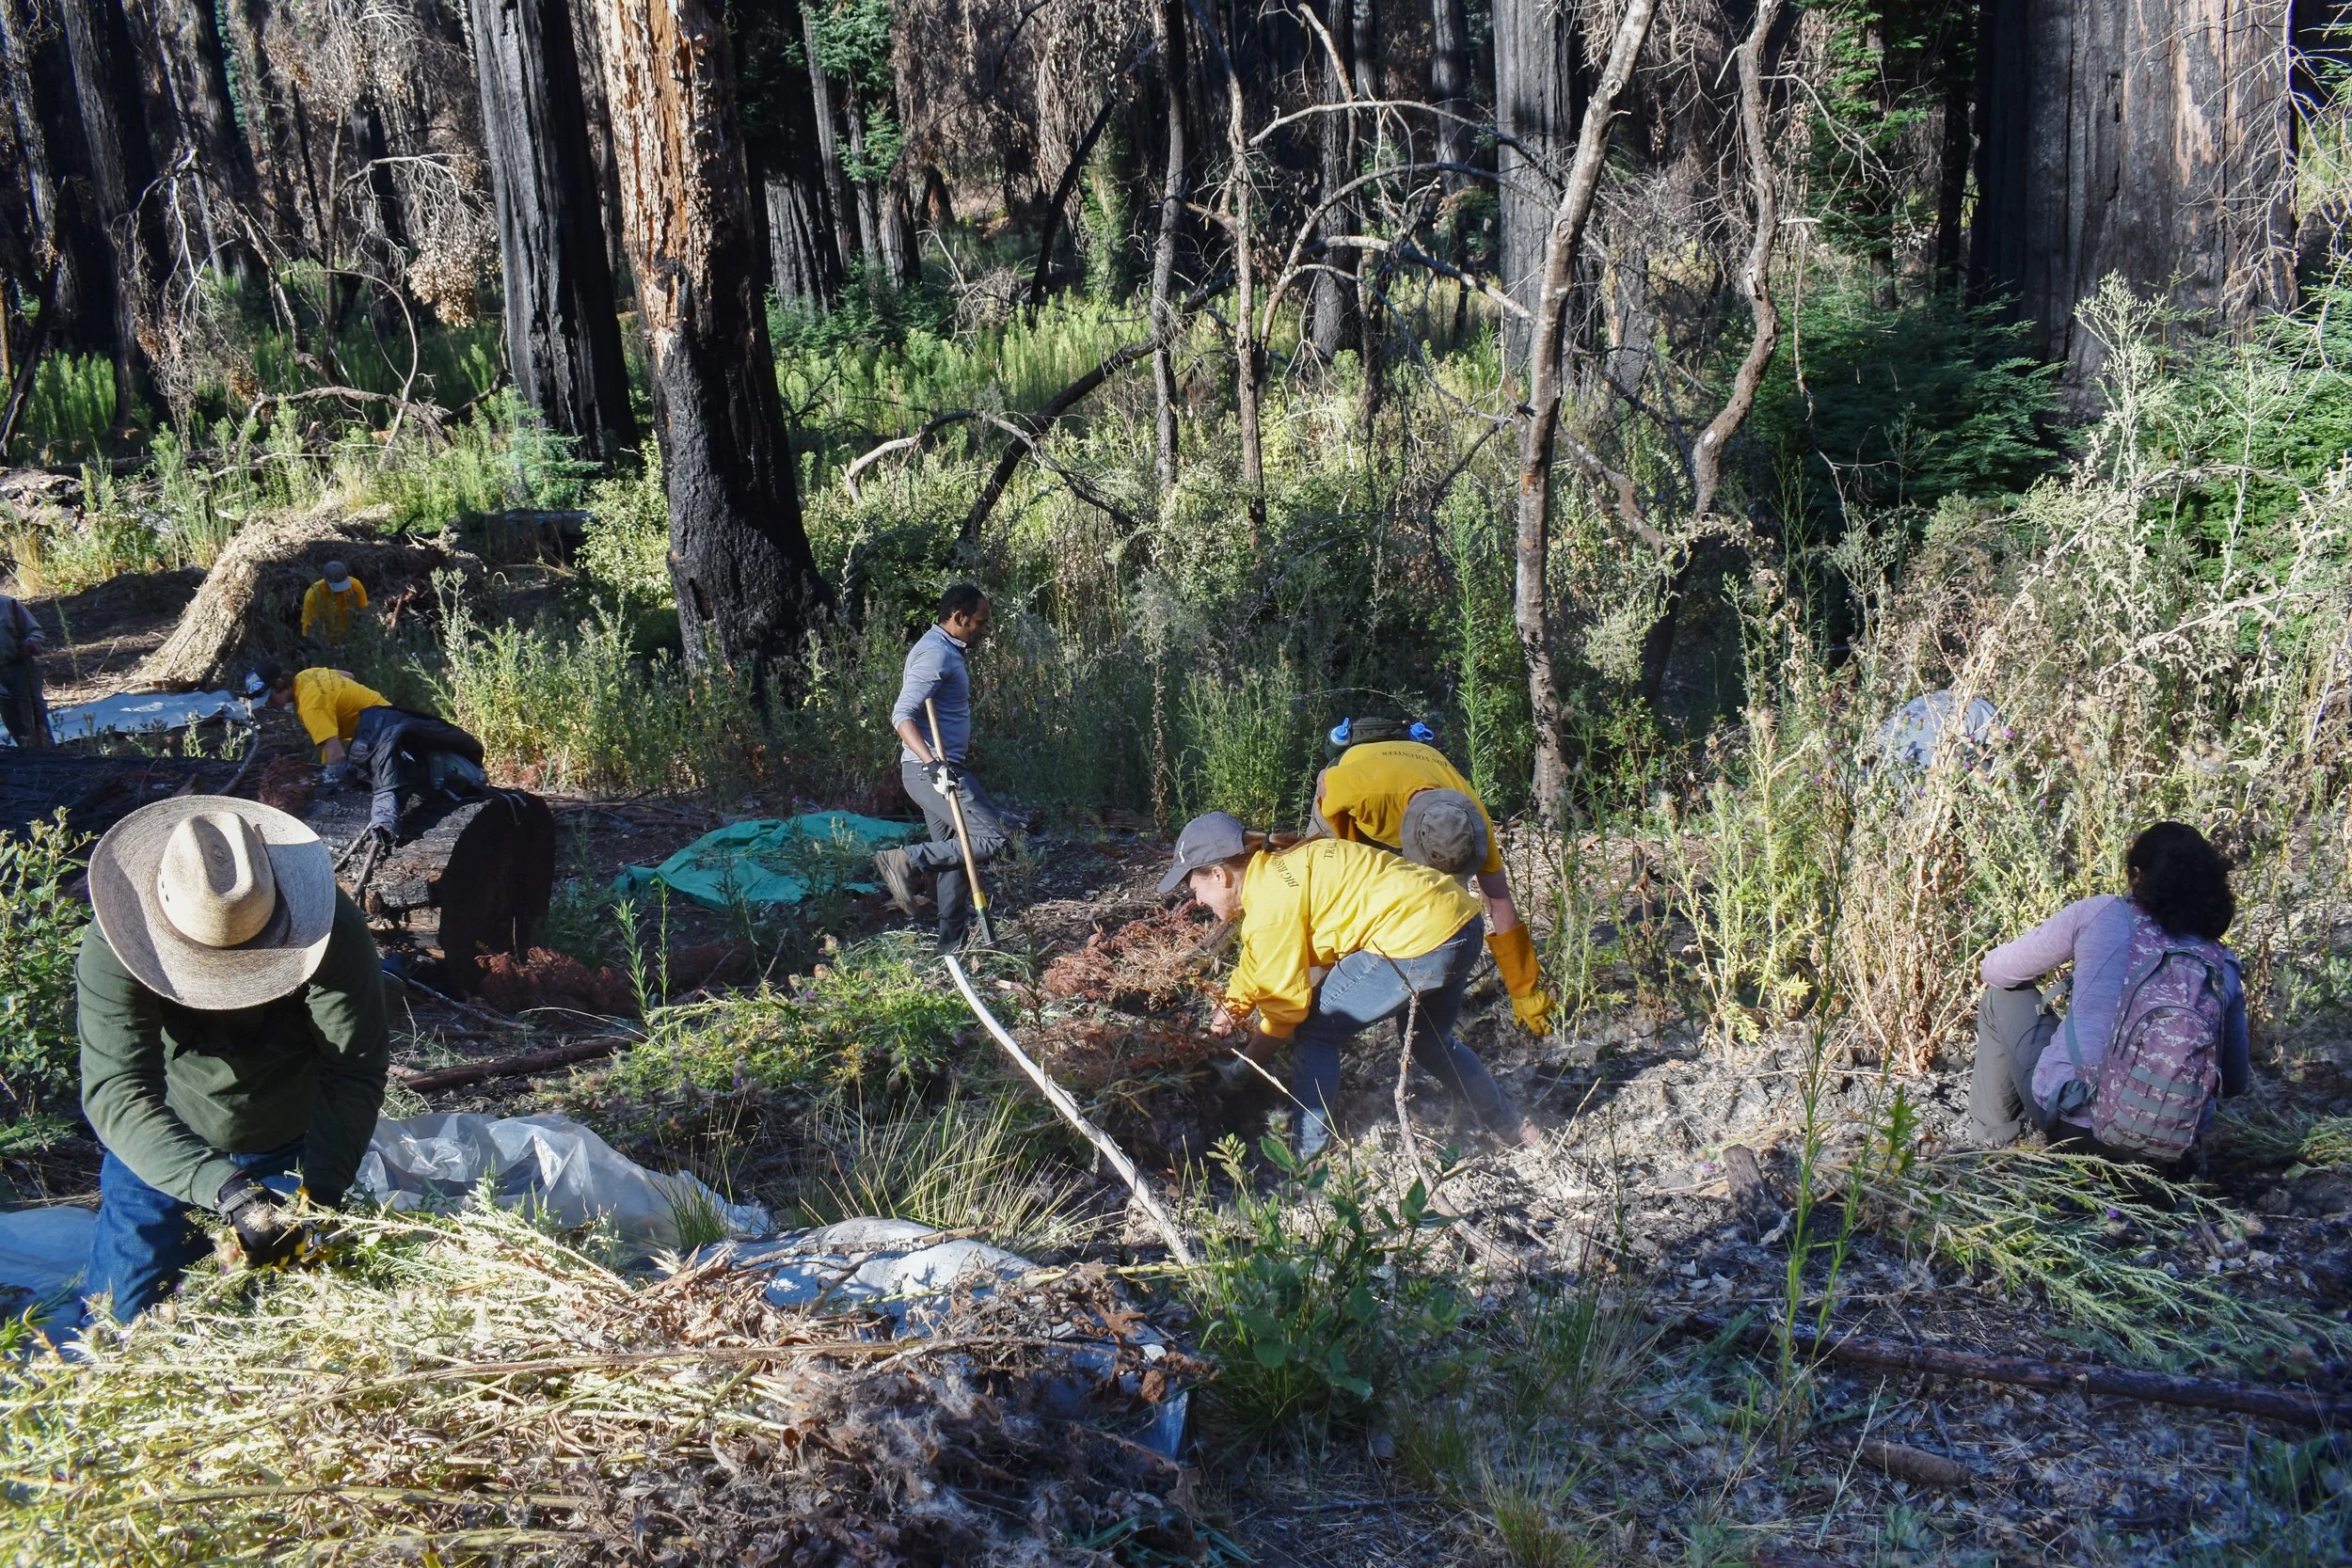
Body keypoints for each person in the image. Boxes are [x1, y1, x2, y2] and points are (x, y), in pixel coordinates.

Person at [77, 794, 389, 1323]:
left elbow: (352, 1068)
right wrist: (225, 1189)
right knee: (118, 1321)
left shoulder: (330, 929)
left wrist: (319, 1196)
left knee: (292, 1324)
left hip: (293, 1137)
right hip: (164, 1143)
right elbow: (118, 1091)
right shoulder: (116, 945)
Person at [1160, 810, 1540, 1160]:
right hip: (1461, 924)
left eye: (1194, 888)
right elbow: (1259, 956)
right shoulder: (1283, 868)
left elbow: (1285, 1010)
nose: (1195, 900)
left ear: (1220, 876)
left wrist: (1244, 1067)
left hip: (1418, 942)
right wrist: (1232, 1009)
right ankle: (1514, 1129)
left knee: (1316, 1030)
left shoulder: (1271, 903)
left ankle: (1307, 1162)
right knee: (1433, 1044)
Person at [1968, 821, 2249, 1170]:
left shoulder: (2101, 913)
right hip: (2171, 1144)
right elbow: (2236, 1081)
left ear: (2137, 874)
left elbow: (1996, 972)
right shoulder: (2220, 962)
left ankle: (1994, 1145)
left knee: (2002, 998)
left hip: (2074, 1127)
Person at [1313, 720, 1553, 1036]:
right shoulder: (1358, 790)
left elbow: (1498, 900)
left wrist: (1526, 991)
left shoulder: (1472, 815)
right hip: (1359, 778)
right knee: (1320, 884)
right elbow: (1324, 783)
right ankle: (1306, 1004)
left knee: (1443, 902)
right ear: (1413, 837)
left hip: (1416, 773)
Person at [871, 584, 1012, 953]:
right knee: (995, 839)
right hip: (933, 772)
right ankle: (903, 859)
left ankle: (951, 948)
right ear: (959, 618)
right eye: (980, 623)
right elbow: (901, 715)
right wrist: (934, 765)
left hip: (933, 770)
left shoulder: (945, 648)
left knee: (956, 854)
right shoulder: (936, 655)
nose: (984, 630)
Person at [246, 661, 486, 842]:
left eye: (270, 699)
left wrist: (329, 786)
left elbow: (336, 755)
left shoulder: (311, 705)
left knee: (385, 783)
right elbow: (347, 676)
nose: (271, 705)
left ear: (279, 685)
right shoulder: (307, 675)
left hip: (380, 732)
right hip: (386, 715)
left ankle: (388, 828)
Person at [0, 590, 51, 746]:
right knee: (11, 717)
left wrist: (31, 643)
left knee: (35, 713)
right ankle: (28, 754)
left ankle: (50, 755)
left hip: (20, 667)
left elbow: (35, 631)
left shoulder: (10, 604)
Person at [300, 561, 370, 646]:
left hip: (352, 638)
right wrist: (326, 648)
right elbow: (310, 629)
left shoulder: (355, 585)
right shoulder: (313, 595)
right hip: (326, 643)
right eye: (336, 587)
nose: (340, 591)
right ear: (325, 580)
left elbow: (365, 614)